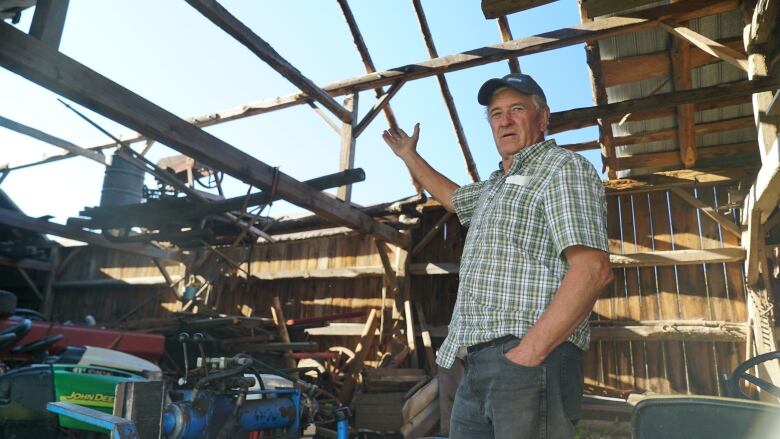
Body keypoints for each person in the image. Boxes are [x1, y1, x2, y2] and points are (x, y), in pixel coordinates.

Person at [382, 73, 613, 438]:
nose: (504, 120)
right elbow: (453, 198)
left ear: (542, 117)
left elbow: (593, 269)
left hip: (528, 356)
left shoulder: (561, 167)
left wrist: (529, 353)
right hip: (476, 362)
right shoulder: (493, 187)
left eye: (516, 109)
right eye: (495, 113)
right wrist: (410, 155)